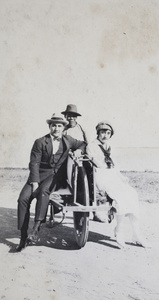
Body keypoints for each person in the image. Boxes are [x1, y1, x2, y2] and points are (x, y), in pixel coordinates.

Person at [15, 113, 86, 252]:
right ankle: (23, 237)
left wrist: (78, 150)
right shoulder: (40, 142)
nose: (56, 128)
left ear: (63, 127)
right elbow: (34, 163)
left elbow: (83, 144)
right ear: (49, 127)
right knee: (22, 199)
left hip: (55, 177)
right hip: (38, 175)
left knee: (44, 192)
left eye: (59, 126)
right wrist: (34, 182)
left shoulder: (68, 140)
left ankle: (35, 230)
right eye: (54, 125)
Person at [86, 121, 147, 248]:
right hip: (100, 176)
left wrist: (121, 176)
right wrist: (112, 172)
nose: (105, 135)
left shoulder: (110, 146)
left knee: (132, 193)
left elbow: (114, 166)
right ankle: (119, 230)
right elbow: (97, 164)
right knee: (119, 197)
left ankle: (136, 233)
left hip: (112, 175)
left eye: (108, 133)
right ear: (98, 133)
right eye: (102, 132)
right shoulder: (91, 146)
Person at [61, 104, 104, 222]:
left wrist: (80, 151)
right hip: (69, 158)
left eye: (73, 116)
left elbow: (88, 143)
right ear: (66, 116)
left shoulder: (82, 128)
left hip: (82, 156)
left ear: (76, 117)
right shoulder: (64, 130)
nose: (71, 118)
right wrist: (69, 153)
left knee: (91, 177)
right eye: (69, 116)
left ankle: (95, 211)